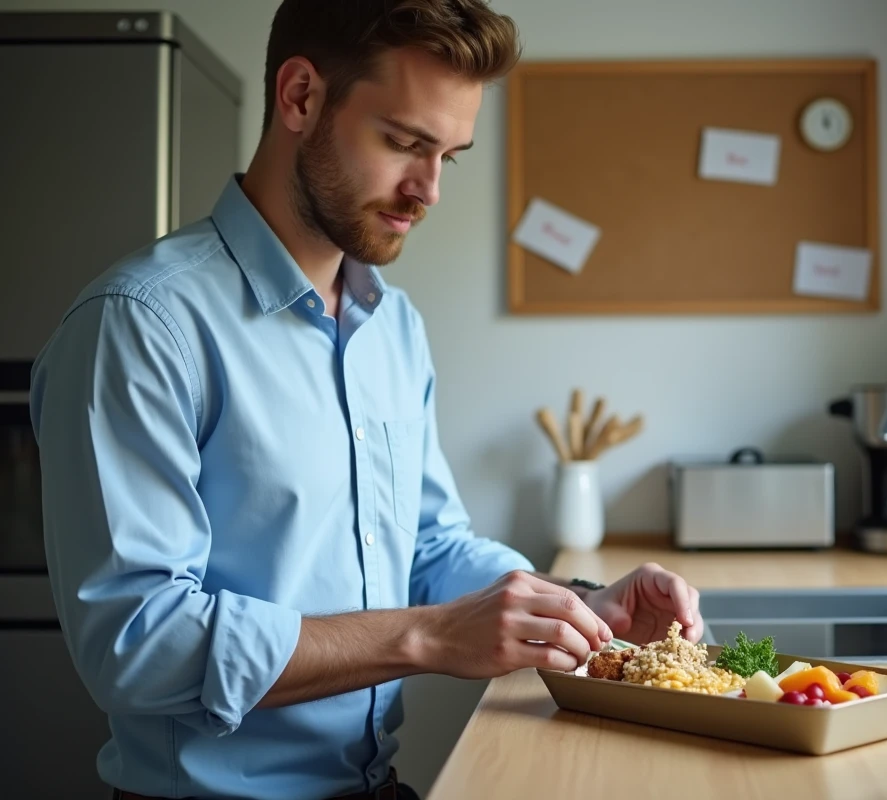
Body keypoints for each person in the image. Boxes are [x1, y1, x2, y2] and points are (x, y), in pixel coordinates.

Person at [29, 2, 706, 798]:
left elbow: (428, 547)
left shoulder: (393, 326)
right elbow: (135, 646)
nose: (427, 190)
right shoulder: (142, 326)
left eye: (448, 156)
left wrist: (584, 608)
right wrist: (425, 637)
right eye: (405, 143)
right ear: (301, 97)